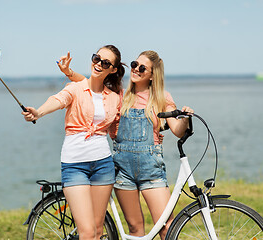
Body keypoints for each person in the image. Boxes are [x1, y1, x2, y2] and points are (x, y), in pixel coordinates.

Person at [58, 50, 193, 240]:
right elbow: (90, 84)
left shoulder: (162, 97)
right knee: (135, 228)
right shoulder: (121, 96)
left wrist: (185, 117)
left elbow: (178, 130)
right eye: (134, 64)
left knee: (166, 227)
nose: (135, 69)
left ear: (153, 75)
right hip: (123, 172)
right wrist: (69, 72)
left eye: (142, 67)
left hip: (151, 171)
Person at [22, 45, 125, 240]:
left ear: (112, 69)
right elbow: (58, 99)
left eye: (105, 63)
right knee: (86, 232)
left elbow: (118, 129)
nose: (98, 64)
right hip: (75, 165)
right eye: (96, 58)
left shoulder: (115, 98)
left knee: (97, 231)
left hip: (103, 164)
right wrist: (38, 112)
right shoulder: (75, 88)